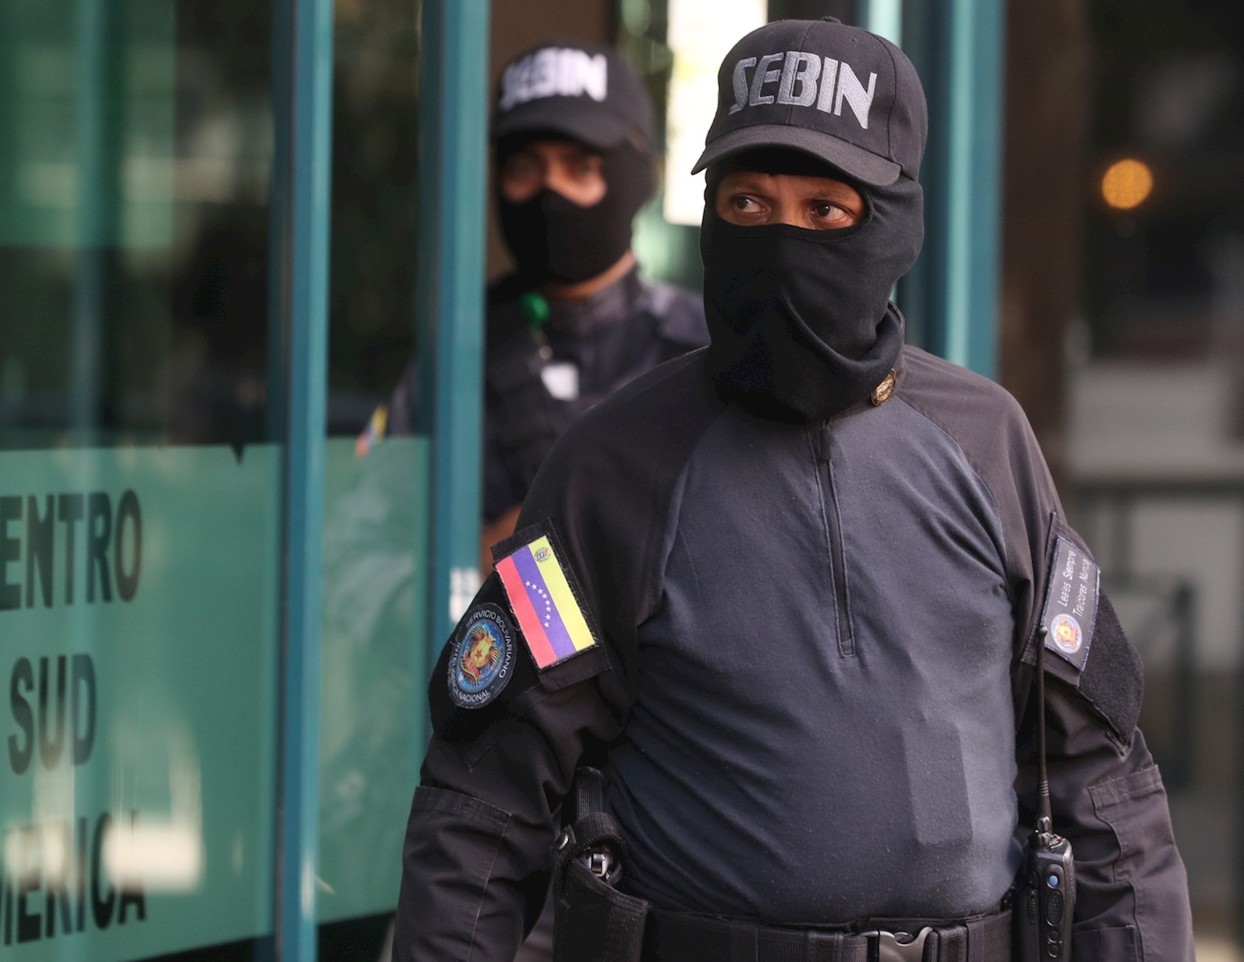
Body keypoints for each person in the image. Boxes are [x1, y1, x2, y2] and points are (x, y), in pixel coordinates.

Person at [392, 16, 1194, 962]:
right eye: (748, 204)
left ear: (895, 222)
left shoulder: (987, 443)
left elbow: (1103, 788)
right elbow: (483, 810)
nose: (782, 240)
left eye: (825, 210)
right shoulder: (612, 466)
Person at [375, 39, 708, 566]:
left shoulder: (707, 354)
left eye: (581, 168)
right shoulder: (452, 366)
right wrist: (478, 563)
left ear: (638, 174)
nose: (550, 193)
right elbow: (353, 568)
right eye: (525, 170)